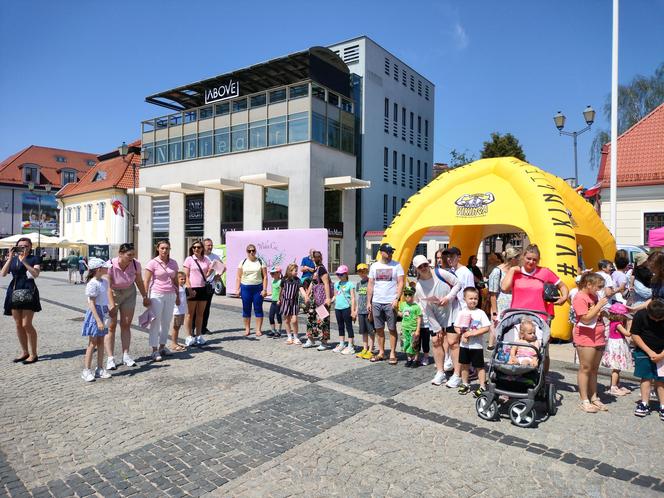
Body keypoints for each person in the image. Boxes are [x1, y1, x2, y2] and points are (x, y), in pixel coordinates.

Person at [412, 254, 460, 385]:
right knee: (436, 341)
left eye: (425, 265)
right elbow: (425, 307)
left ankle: (457, 374)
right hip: (434, 313)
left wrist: (448, 298)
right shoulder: (419, 286)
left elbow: (457, 284)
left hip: (451, 310)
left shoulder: (440, 273)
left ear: (428, 264)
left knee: (453, 342)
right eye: (420, 267)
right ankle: (440, 372)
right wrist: (436, 326)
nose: (423, 268)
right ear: (416, 269)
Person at [106, 243, 150, 370]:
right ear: (120, 254)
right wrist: (110, 303)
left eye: (133, 255)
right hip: (113, 293)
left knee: (126, 324)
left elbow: (139, 281)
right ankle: (110, 358)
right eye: (129, 255)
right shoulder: (110, 264)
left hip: (129, 293)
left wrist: (145, 296)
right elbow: (107, 286)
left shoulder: (135, 264)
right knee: (111, 326)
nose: (132, 257)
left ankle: (126, 355)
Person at [572, 272, 609, 413]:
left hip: (598, 335)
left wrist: (603, 312)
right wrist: (599, 305)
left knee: (594, 369)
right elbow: (585, 318)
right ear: (588, 284)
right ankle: (584, 399)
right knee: (585, 368)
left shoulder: (593, 296)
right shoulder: (580, 297)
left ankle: (594, 397)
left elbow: (594, 314)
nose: (599, 290)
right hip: (586, 337)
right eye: (597, 287)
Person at [2, 237, 42, 363]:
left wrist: (24, 261)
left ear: (30, 247)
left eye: (26, 246)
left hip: (29, 289)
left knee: (26, 324)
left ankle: (33, 354)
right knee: (18, 324)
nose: (23, 248)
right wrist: (9, 258)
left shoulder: (34, 258)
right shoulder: (13, 259)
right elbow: (3, 273)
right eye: (20, 246)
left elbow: (35, 274)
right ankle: (24, 352)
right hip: (14, 290)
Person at [367, 243, 405, 365]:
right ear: (381, 252)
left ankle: (393, 353)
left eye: (391, 252)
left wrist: (396, 299)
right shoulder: (374, 266)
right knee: (379, 329)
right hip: (376, 301)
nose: (390, 254)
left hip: (390, 302)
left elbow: (401, 282)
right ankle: (381, 352)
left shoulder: (397, 265)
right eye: (388, 252)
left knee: (392, 328)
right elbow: (371, 284)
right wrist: (369, 302)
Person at [443, 247, 475, 388]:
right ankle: (461, 370)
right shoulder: (451, 272)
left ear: (459, 257)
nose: (449, 259)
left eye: (452, 256)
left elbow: (470, 294)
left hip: (462, 312)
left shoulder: (465, 273)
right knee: (452, 342)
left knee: (457, 343)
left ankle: (459, 373)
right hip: (451, 312)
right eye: (448, 256)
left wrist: (468, 315)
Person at [144, 240, 180, 361]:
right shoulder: (152, 263)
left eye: (167, 248)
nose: (165, 250)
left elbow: (176, 281)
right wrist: (145, 297)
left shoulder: (173, 263)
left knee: (166, 322)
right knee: (155, 322)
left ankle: (162, 347)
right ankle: (154, 350)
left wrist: (178, 296)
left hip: (170, 294)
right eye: (163, 248)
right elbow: (146, 281)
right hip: (157, 294)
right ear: (158, 249)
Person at [454, 287, 491, 397]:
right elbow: (456, 326)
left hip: (476, 346)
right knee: (464, 365)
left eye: (476, 298)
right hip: (464, 345)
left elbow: (486, 328)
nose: (473, 300)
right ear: (464, 299)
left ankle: (482, 386)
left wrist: (472, 333)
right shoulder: (461, 312)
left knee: (479, 366)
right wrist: (462, 334)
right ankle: (465, 383)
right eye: (470, 298)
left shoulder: (481, 313)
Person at [81, 258, 113, 382]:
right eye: (105, 267)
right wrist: (98, 320)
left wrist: (108, 310)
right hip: (95, 314)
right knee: (92, 343)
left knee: (101, 342)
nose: (107, 269)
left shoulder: (104, 282)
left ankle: (100, 368)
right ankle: (86, 370)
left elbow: (104, 299)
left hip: (103, 311)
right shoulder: (92, 283)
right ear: (99, 269)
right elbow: (91, 304)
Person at [631, 299, 664, 419]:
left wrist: (661, 355)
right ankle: (644, 403)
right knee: (646, 377)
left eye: (659, 319)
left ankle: (663, 405)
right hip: (644, 351)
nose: (656, 320)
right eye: (653, 318)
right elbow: (635, 334)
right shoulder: (640, 315)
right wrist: (649, 351)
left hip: (662, 351)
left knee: (661, 379)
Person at [488, 248, 520, 349]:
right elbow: (493, 293)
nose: (519, 260)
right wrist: (494, 312)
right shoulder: (497, 271)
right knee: (500, 331)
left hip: (514, 304)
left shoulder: (515, 270)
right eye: (517, 258)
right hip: (501, 304)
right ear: (512, 259)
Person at [184, 240, 213, 346]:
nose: (196, 249)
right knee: (190, 314)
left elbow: (207, 273)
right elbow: (186, 276)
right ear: (192, 249)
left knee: (200, 314)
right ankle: (188, 336)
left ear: (202, 249)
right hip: (192, 288)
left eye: (198, 247)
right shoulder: (189, 259)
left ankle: (199, 335)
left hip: (203, 288)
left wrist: (215, 270)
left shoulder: (206, 259)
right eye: (194, 247)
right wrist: (190, 289)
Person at [600, 303, 634, 396]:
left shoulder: (613, 322)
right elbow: (627, 334)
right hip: (617, 346)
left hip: (615, 344)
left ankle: (617, 385)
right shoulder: (618, 324)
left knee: (617, 367)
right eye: (623, 315)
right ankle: (613, 387)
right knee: (616, 368)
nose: (624, 317)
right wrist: (630, 324)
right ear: (618, 315)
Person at [235, 244, 267, 337]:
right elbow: (238, 277)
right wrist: (237, 289)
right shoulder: (243, 262)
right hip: (245, 288)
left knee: (258, 309)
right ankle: (247, 329)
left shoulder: (260, 261)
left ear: (255, 251)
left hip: (258, 288)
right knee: (246, 309)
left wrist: (264, 289)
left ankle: (258, 330)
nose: (251, 252)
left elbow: (265, 277)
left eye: (253, 250)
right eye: (249, 251)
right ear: (247, 252)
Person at [200, 238, 224, 334]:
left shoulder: (215, 257)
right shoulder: (200, 256)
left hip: (210, 285)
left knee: (206, 307)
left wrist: (217, 277)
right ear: (203, 246)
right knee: (198, 308)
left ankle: (203, 328)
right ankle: (194, 328)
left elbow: (222, 268)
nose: (210, 247)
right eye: (208, 245)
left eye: (211, 245)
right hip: (199, 285)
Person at [309, 250, 332, 350]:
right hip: (314, 298)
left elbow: (326, 283)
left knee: (323, 320)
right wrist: (307, 294)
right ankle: (311, 339)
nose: (313, 258)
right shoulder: (315, 269)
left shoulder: (322, 269)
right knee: (311, 318)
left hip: (321, 298)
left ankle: (324, 341)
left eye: (314, 257)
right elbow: (312, 282)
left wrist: (327, 298)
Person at [332, 265, 356, 355]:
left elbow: (353, 298)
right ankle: (342, 343)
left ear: (346, 274)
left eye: (341, 274)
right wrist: (331, 300)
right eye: (338, 274)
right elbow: (335, 295)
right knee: (340, 326)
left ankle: (350, 345)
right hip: (338, 308)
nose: (339, 276)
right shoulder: (336, 284)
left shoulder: (350, 284)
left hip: (346, 307)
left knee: (349, 326)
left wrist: (353, 310)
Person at [353, 263, 375, 360]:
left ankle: (370, 349)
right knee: (363, 332)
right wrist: (356, 311)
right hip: (361, 311)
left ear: (367, 271)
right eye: (360, 271)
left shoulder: (371, 282)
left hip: (369, 311)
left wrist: (372, 310)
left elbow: (373, 298)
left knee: (371, 331)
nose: (362, 273)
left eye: (364, 271)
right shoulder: (359, 284)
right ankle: (365, 348)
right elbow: (359, 298)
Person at [398, 286, 422, 368]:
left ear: (413, 295)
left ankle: (415, 360)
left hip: (413, 329)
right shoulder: (402, 304)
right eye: (406, 294)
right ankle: (409, 359)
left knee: (414, 345)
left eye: (410, 294)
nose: (407, 296)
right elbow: (401, 315)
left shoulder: (416, 306)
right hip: (405, 328)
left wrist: (418, 330)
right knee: (406, 344)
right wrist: (395, 310)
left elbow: (419, 318)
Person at [278, 263, 301, 345]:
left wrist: (305, 296)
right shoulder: (284, 279)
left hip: (294, 302)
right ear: (290, 271)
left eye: (297, 271)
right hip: (285, 302)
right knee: (287, 320)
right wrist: (279, 299)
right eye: (295, 271)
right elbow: (281, 290)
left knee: (294, 320)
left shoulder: (298, 280)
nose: (296, 272)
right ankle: (289, 337)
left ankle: (296, 337)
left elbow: (301, 288)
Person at [170, 272, 187, 352]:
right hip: (177, 311)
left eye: (184, 279)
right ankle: (174, 344)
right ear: (177, 280)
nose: (183, 281)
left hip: (182, 311)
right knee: (175, 328)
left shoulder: (182, 287)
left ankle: (176, 342)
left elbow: (183, 298)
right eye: (181, 279)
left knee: (178, 327)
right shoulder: (176, 288)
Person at [267, 266, 283, 338]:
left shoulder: (281, 282)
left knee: (278, 316)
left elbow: (282, 292)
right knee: (271, 316)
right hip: (273, 301)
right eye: (271, 273)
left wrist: (280, 300)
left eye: (273, 273)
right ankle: (273, 330)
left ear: (278, 273)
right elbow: (273, 291)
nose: (271, 275)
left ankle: (279, 331)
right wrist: (268, 293)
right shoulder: (272, 281)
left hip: (278, 301)